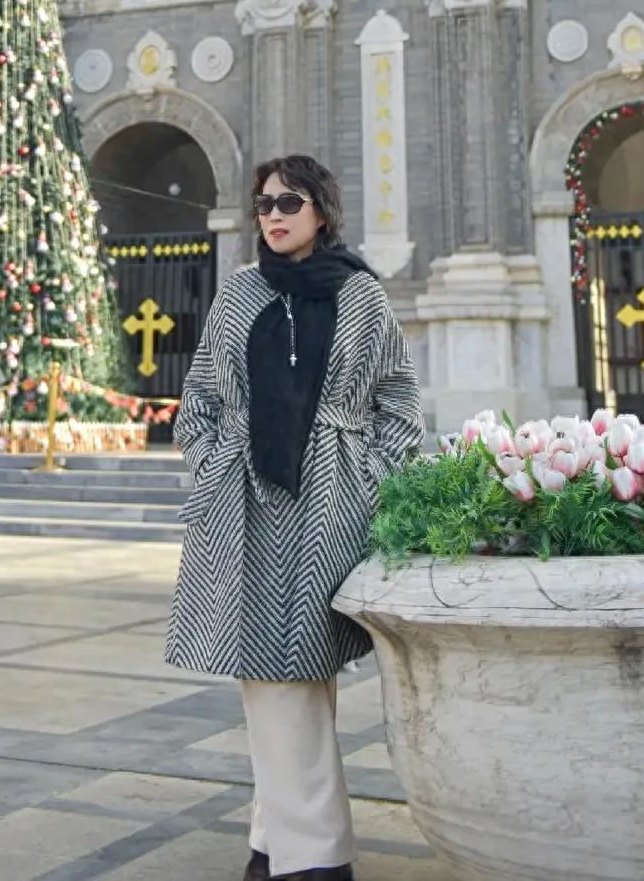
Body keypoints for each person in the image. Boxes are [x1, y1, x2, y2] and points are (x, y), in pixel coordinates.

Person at [165, 153, 424, 881]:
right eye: (265, 204)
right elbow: (201, 399)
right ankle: (289, 848)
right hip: (244, 504)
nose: (273, 215)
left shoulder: (360, 298)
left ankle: (305, 853)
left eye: (289, 202)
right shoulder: (241, 294)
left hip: (329, 505)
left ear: (322, 212)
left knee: (297, 672)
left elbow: (400, 408)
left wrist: (367, 478)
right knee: (274, 676)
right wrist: (214, 462)